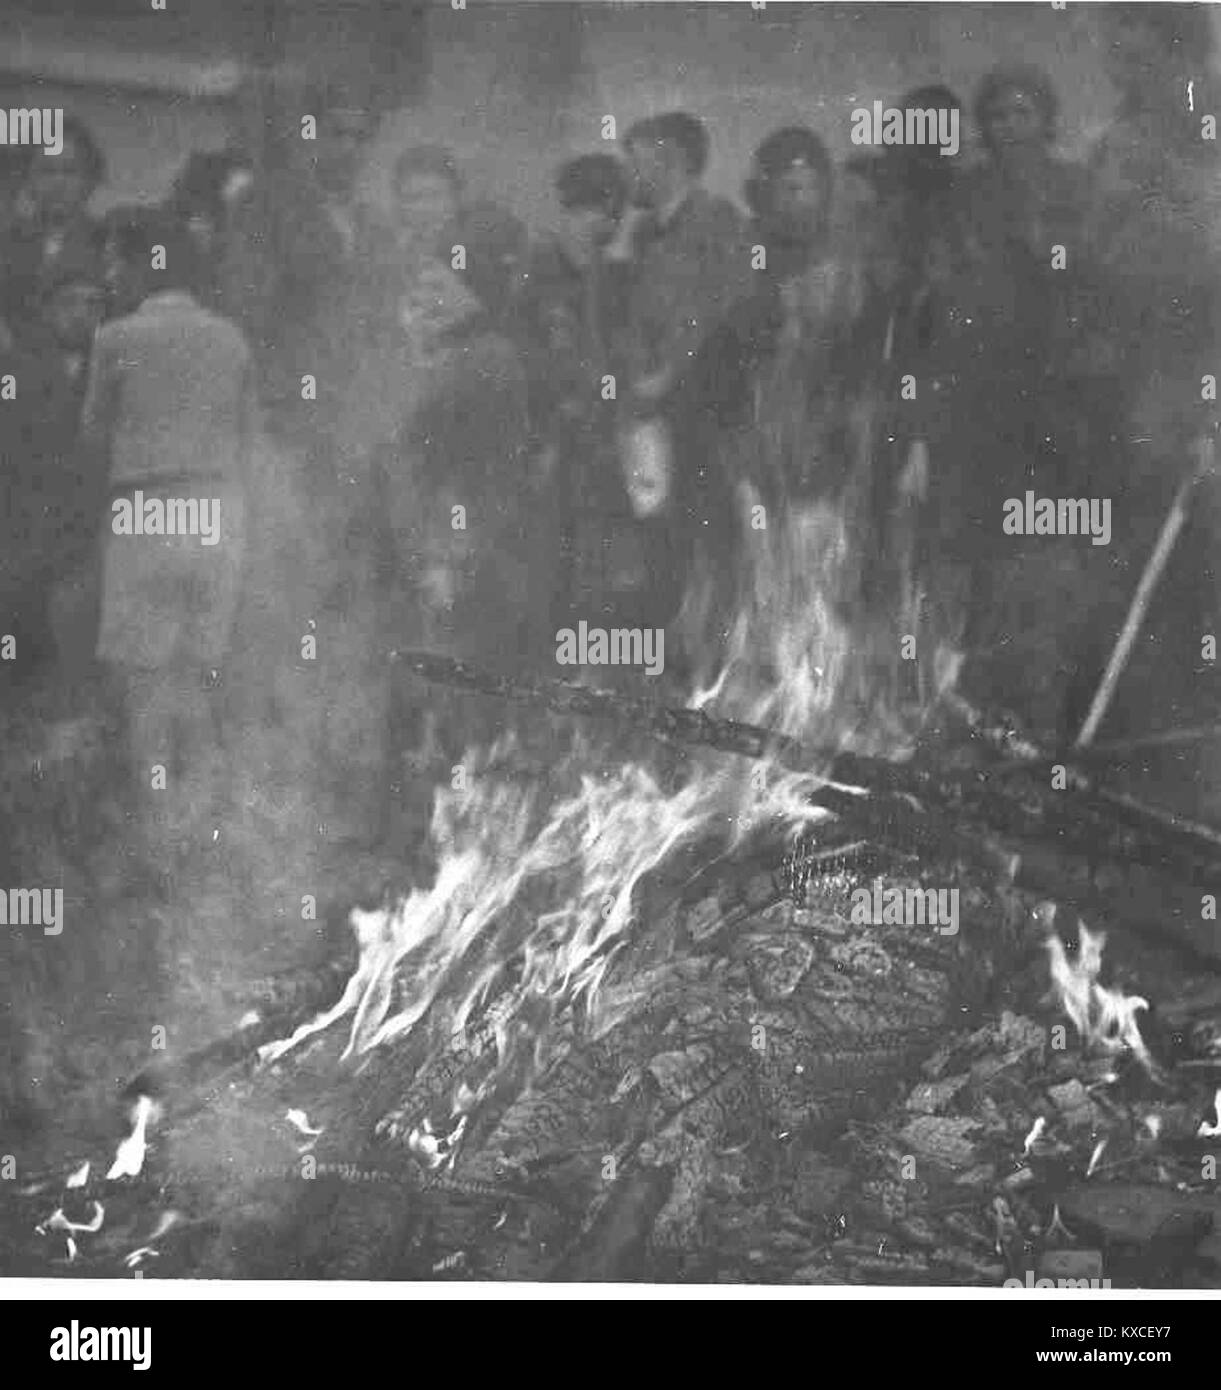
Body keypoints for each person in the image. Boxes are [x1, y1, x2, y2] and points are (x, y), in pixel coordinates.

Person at [79, 209, 257, 880]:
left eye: (115, 262)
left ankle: (159, 846)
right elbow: (249, 437)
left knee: (144, 686)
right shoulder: (231, 338)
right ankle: (208, 835)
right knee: (200, 677)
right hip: (217, 509)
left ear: (138, 264)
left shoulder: (115, 338)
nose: (109, 275)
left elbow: (92, 441)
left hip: (146, 507)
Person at [615, 111, 752, 679]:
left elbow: (711, 311)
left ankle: (715, 675)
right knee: (662, 548)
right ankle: (678, 677)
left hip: (705, 415)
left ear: (671, 159)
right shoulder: (645, 232)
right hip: (653, 419)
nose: (632, 175)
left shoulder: (717, 223)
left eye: (640, 161)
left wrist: (666, 374)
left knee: (709, 547)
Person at [0, 116, 106, 338]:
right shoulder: (7, 241)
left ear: (90, 179)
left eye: (69, 172)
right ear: (28, 177)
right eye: (47, 171)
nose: (58, 183)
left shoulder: (107, 241)